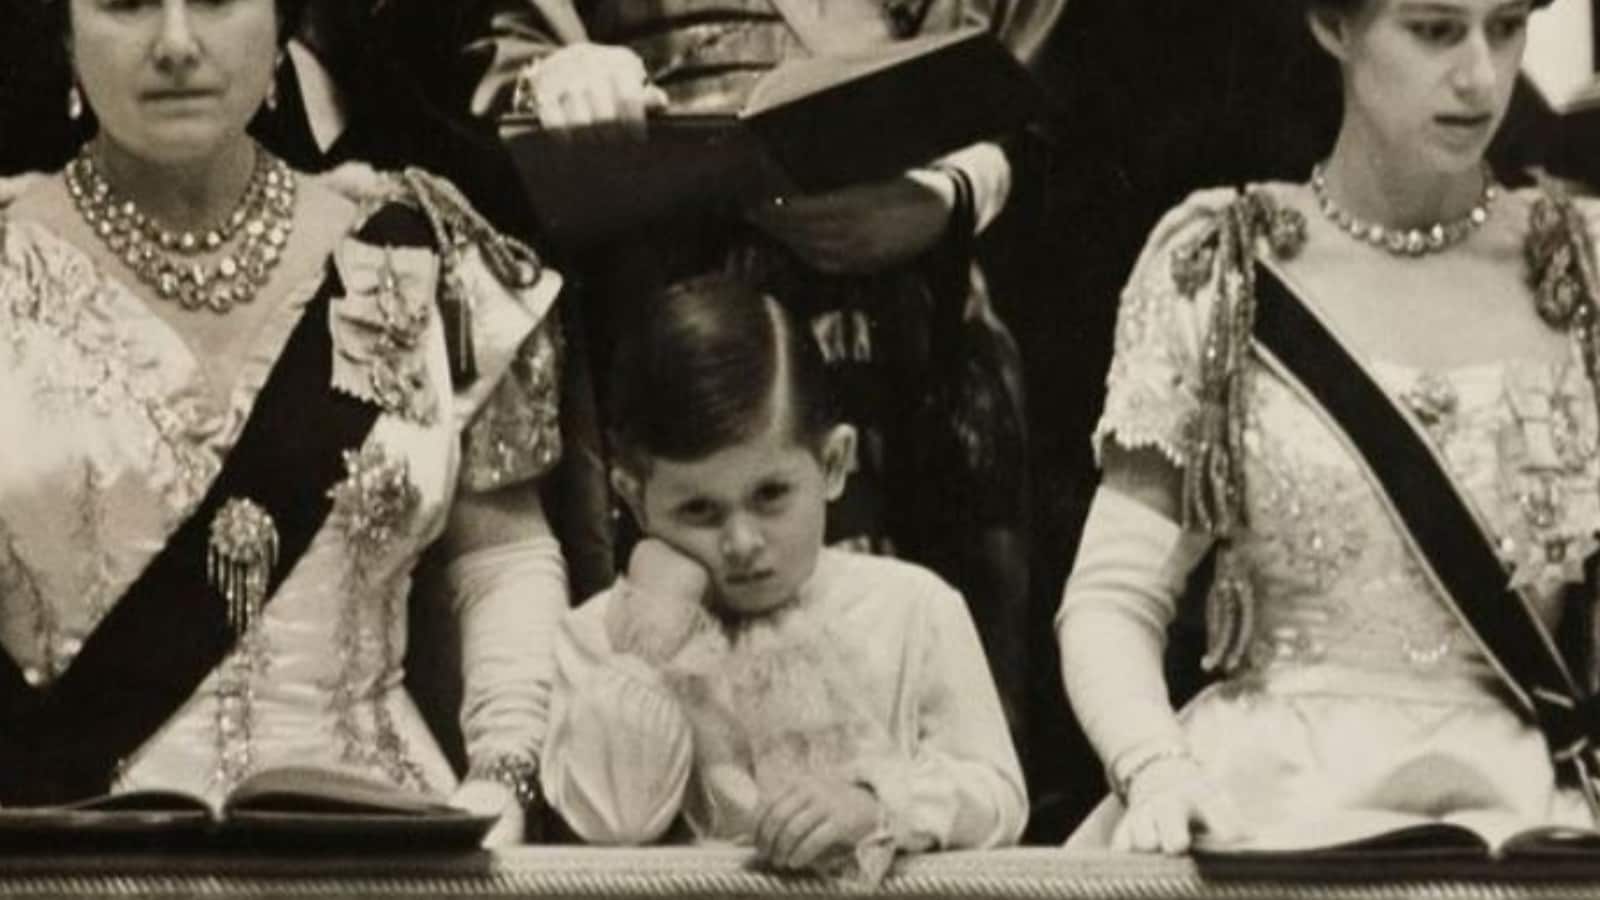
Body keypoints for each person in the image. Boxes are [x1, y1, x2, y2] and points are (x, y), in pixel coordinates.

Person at [0, 0, 568, 846]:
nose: (177, 43)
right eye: (125, 3)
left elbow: (503, 560)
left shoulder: (419, 252)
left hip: (384, 851)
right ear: (62, 35)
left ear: (282, 28)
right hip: (72, 852)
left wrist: (502, 774)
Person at [1057, 0, 1600, 855]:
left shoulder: (1578, 269)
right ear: (1333, 25)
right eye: (1434, 30)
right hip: (1266, 804)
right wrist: (1155, 767)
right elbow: (1111, 599)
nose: (1481, 77)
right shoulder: (1225, 263)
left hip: (1523, 815)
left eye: (1505, 27)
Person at [460, 0, 1062, 746]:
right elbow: (486, 51)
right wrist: (554, 74)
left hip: (909, 317)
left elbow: (1042, 77)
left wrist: (950, 194)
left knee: (918, 706)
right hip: (666, 309)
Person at [539, 275, 1024, 882]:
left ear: (833, 463)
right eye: (698, 511)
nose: (741, 543)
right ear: (636, 501)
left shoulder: (911, 607)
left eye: (770, 495)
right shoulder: (596, 640)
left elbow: (998, 795)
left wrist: (878, 804)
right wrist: (646, 645)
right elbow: (616, 821)